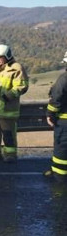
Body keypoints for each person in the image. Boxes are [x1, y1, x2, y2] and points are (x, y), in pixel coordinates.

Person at [44, 50, 67, 181]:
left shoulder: (64, 78)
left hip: (64, 122)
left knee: (62, 148)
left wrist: (49, 114)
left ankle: (59, 176)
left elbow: (56, 98)